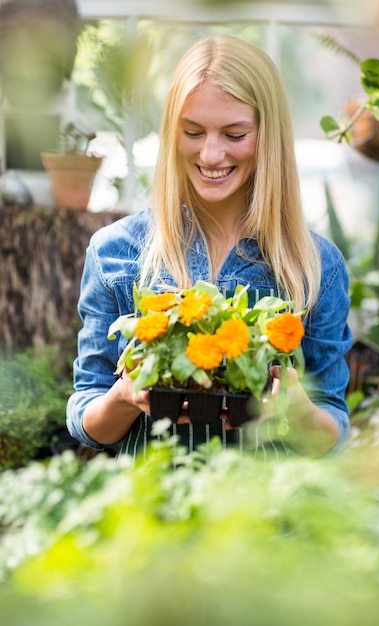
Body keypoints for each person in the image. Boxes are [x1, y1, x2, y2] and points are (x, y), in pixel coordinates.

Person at [66, 34, 352, 459]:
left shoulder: (315, 267)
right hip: (151, 515)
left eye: (234, 134)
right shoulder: (117, 253)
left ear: (268, 136)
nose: (211, 153)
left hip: (270, 519)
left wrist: (301, 412)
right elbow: (87, 416)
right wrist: (123, 397)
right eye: (193, 132)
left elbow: (332, 425)